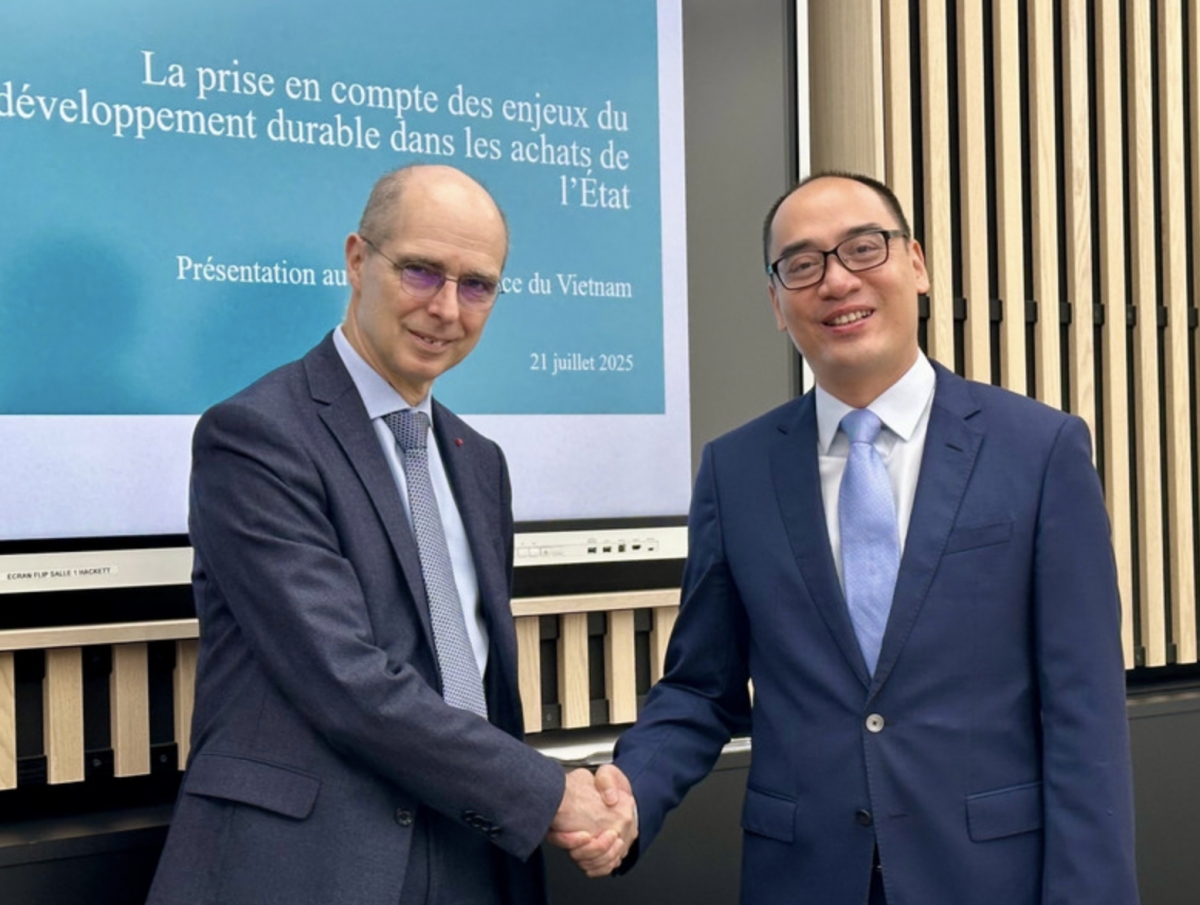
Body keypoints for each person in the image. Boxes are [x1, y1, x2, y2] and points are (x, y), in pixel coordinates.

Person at [568, 172, 1139, 903]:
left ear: (916, 263)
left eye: (864, 248)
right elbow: (701, 686)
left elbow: (1084, 708)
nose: (836, 280)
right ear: (777, 303)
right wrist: (629, 794)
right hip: (803, 878)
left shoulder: (1038, 450)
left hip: (987, 877)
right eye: (802, 264)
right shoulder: (736, 470)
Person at [146, 163, 632, 905]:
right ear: (356, 259)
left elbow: (476, 681)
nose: (446, 308)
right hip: (310, 867)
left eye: (477, 285)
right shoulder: (255, 436)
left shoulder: (480, 461)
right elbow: (343, 677)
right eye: (421, 271)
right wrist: (548, 795)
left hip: (474, 849)